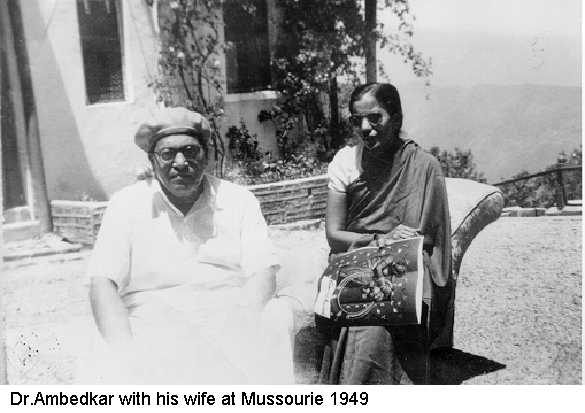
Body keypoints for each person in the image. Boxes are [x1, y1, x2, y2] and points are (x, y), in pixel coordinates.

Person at [82, 107, 294, 384]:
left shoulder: (238, 200)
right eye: (167, 154)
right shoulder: (125, 205)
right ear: (152, 160)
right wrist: (126, 350)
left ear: (207, 155)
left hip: (228, 313)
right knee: (105, 343)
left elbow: (262, 271)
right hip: (151, 319)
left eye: (191, 151)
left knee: (275, 316)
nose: (180, 162)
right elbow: (102, 283)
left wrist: (242, 319)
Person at [317, 83, 454, 384]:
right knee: (368, 323)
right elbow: (334, 234)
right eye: (357, 120)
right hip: (355, 259)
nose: (365, 128)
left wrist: (401, 247)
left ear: (396, 118)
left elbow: (435, 240)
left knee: (382, 318)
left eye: (375, 118)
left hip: (406, 266)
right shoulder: (346, 162)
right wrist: (379, 240)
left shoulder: (423, 166)